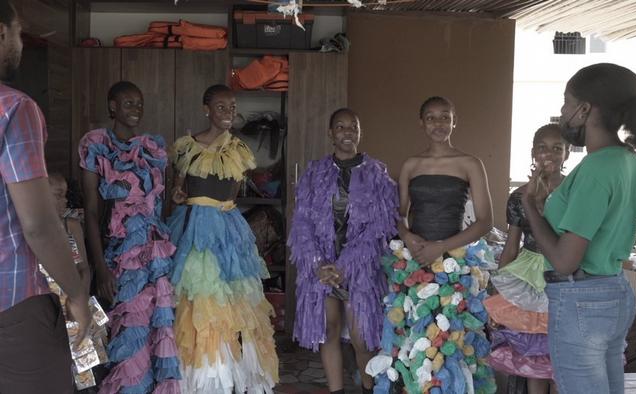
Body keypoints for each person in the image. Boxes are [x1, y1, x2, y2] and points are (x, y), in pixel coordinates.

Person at [522, 63, 636, 394]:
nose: (562, 112)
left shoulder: (596, 167)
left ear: (584, 109)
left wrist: (529, 206)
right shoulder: (628, 160)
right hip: (613, 291)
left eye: (566, 102)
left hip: (581, 300)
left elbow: (564, 260)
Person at [370, 96, 496, 394]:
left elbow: (484, 222)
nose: (438, 123)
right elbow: (398, 215)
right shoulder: (412, 164)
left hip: (455, 262)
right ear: (421, 123)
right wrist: (409, 237)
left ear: (455, 121)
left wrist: (442, 247)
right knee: (416, 337)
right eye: (431, 117)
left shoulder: (470, 163)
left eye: (444, 117)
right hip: (415, 260)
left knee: (452, 340)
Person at [0, 2, 91, 393]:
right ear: (2, 33)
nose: (20, 42)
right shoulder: (13, 108)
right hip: (13, 307)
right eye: (18, 32)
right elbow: (37, 225)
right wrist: (76, 295)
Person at [167, 84, 278, 394]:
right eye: (221, 107)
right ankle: (199, 376)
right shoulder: (186, 147)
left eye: (232, 107)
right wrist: (179, 195)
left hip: (226, 230)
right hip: (193, 230)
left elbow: (231, 194)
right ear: (207, 109)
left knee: (232, 302)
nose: (228, 112)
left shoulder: (238, 150)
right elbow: (178, 191)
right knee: (199, 300)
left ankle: (227, 372)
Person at [288, 108, 398, 394]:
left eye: (353, 127)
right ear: (330, 133)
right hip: (322, 270)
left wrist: (345, 264)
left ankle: (368, 387)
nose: (347, 132)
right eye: (340, 127)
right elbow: (301, 221)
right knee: (329, 332)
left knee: (363, 340)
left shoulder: (377, 173)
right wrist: (317, 263)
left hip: (360, 270)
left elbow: (381, 227)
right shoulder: (314, 173)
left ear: (360, 132)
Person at [80, 81, 180, 393]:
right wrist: (100, 267)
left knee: (155, 331)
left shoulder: (153, 148)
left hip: (154, 255)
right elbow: (92, 213)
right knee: (126, 333)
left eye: (139, 103)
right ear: (112, 107)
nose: (135, 109)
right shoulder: (96, 145)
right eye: (127, 104)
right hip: (119, 256)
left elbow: (161, 208)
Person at [485, 124, 569, 394]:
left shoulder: (576, 192)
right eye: (543, 147)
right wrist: (498, 288)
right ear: (533, 152)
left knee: (565, 357)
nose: (550, 154)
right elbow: (511, 246)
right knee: (535, 357)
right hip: (529, 279)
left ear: (567, 153)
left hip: (565, 271)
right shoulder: (519, 197)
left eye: (558, 148)